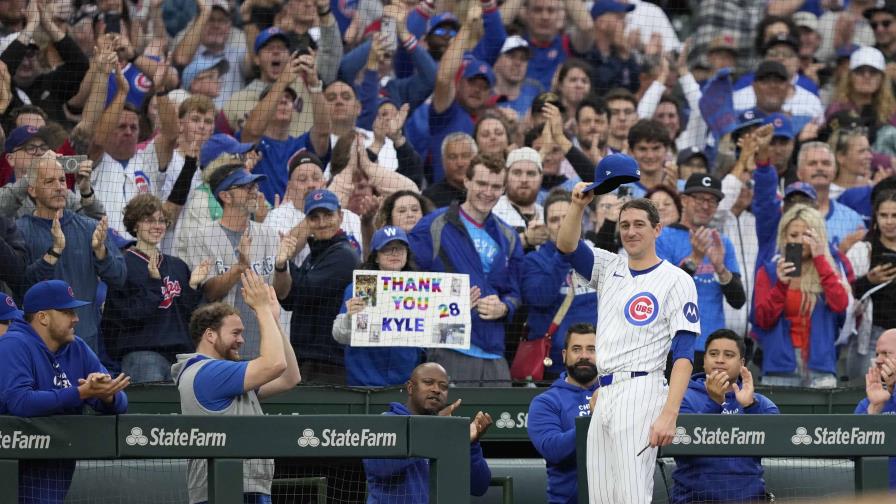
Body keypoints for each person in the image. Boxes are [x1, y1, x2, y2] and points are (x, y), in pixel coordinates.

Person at [556, 154, 699, 504]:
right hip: (603, 392)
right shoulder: (609, 265)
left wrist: (669, 413)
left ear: (656, 229)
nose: (631, 231)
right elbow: (567, 246)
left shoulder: (677, 280)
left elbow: (683, 355)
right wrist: (577, 205)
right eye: (625, 225)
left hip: (642, 389)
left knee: (632, 497)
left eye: (639, 224)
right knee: (602, 498)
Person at [172, 271, 301, 504]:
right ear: (210, 336)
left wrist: (273, 321)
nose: (241, 340)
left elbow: (289, 378)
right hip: (224, 488)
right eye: (235, 333)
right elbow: (274, 364)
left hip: (245, 486)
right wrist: (262, 310)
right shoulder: (207, 372)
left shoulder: (227, 376)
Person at [0, 279, 129, 504]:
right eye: (67, 312)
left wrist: (106, 394)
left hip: (56, 461)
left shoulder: (77, 347)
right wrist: (80, 393)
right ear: (43, 317)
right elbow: (19, 402)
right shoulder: (14, 344)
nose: (76, 319)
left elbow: (120, 402)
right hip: (15, 459)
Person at [409, 153, 524, 386]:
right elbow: (408, 281)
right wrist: (449, 303)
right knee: (452, 422)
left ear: (503, 190)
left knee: (499, 422)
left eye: (495, 186)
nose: (488, 192)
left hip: (494, 353)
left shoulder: (509, 236)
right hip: (448, 347)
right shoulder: (433, 225)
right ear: (467, 181)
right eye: (481, 183)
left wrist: (504, 307)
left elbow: (516, 291)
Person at [17, 155, 126, 353]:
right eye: (49, 181)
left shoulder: (90, 228)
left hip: (84, 342)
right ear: (32, 190)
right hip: (38, 344)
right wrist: (54, 252)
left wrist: (101, 252)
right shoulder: (19, 231)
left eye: (62, 180)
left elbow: (120, 277)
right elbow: (20, 286)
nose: (59, 187)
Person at [101, 194, 210, 383]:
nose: (157, 226)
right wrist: (153, 284)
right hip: (143, 354)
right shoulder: (122, 265)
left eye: (161, 220)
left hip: (181, 356)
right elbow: (127, 316)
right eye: (148, 220)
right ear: (135, 225)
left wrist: (192, 286)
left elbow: (186, 315)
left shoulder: (177, 265)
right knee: (153, 410)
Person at [183, 156, 280, 360]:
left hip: (266, 345)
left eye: (254, 185)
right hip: (223, 349)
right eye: (246, 187)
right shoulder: (201, 236)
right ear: (226, 196)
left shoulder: (269, 234)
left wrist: (281, 266)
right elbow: (210, 292)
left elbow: (283, 292)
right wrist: (240, 267)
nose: (254, 191)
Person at [672, 329, 779, 504]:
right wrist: (714, 403)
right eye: (713, 354)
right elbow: (685, 447)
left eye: (728, 355)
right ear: (704, 360)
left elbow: (776, 443)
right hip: (695, 500)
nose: (720, 359)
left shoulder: (762, 404)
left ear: (742, 362)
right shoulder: (682, 397)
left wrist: (750, 406)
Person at [363, 362, 493, 503]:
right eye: (428, 382)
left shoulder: (449, 430)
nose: (436, 390)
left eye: (443, 386)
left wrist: (470, 446)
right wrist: (435, 429)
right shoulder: (386, 422)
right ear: (411, 387)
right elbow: (380, 468)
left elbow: (479, 486)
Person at [753, 204, 850, 388]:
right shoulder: (769, 272)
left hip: (820, 366)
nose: (800, 241)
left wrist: (821, 259)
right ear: (784, 237)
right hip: (779, 367)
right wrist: (781, 285)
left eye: (807, 234)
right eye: (793, 235)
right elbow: (762, 320)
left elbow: (840, 305)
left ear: (818, 236)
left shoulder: (829, 271)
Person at [656, 174, 746, 363]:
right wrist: (694, 259)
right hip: (671, 345)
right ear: (684, 200)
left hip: (711, 349)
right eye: (699, 199)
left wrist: (721, 268)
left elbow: (738, 300)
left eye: (712, 201)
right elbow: (663, 293)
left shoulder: (723, 243)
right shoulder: (663, 238)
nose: (706, 206)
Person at [274, 189, 359, 384]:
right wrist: (281, 265)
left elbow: (303, 292)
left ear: (340, 216)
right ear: (307, 222)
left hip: (328, 363)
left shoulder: (344, 256)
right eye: (314, 217)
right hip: (309, 358)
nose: (322, 223)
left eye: (328, 215)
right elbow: (287, 299)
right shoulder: (316, 254)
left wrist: (288, 258)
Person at [332, 226, 424, 386]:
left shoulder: (422, 289)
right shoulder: (360, 287)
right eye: (387, 249)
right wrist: (349, 318)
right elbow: (339, 335)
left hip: (405, 383)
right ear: (376, 257)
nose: (394, 253)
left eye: (400, 249)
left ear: (407, 254)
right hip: (364, 382)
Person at [523, 190, 597, 376]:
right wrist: (564, 254)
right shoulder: (534, 260)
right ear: (546, 226)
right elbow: (540, 298)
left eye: (567, 217)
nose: (562, 224)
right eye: (554, 220)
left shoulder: (597, 257)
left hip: (598, 364)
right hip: (553, 365)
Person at [527, 324, 599, 504]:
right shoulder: (545, 402)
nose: (584, 355)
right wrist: (594, 417)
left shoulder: (617, 395)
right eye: (577, 349)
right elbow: (553, 451)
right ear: (565, 355)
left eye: (591, 349)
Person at [846, 190, 896, 383]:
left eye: (894, 215)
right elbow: (844, 296)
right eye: (884, 215)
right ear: (875, 217)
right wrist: (868, 281)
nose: (889, 221)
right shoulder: (862, 250)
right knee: (866, 396)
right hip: (871, 338)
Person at [854, 328, 896, 490]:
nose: (878, 360)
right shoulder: (868, 403)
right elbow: (851, 451)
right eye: (877, 353)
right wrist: (875, 409)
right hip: (877, 496)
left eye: (886, 353)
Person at [492, 147, 548, 252]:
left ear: (541, 177)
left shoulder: (548, 215)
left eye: (531, 173)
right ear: (506, 176)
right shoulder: (492, 210)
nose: (524, 180)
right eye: (517, 173)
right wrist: (526, 239)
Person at [423, 132, 475, 208]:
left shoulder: (487, 190)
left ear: (476, 159)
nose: (460, 163)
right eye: (453, 157)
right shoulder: (430, 197)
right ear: (443, 161)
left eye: (465, 156)